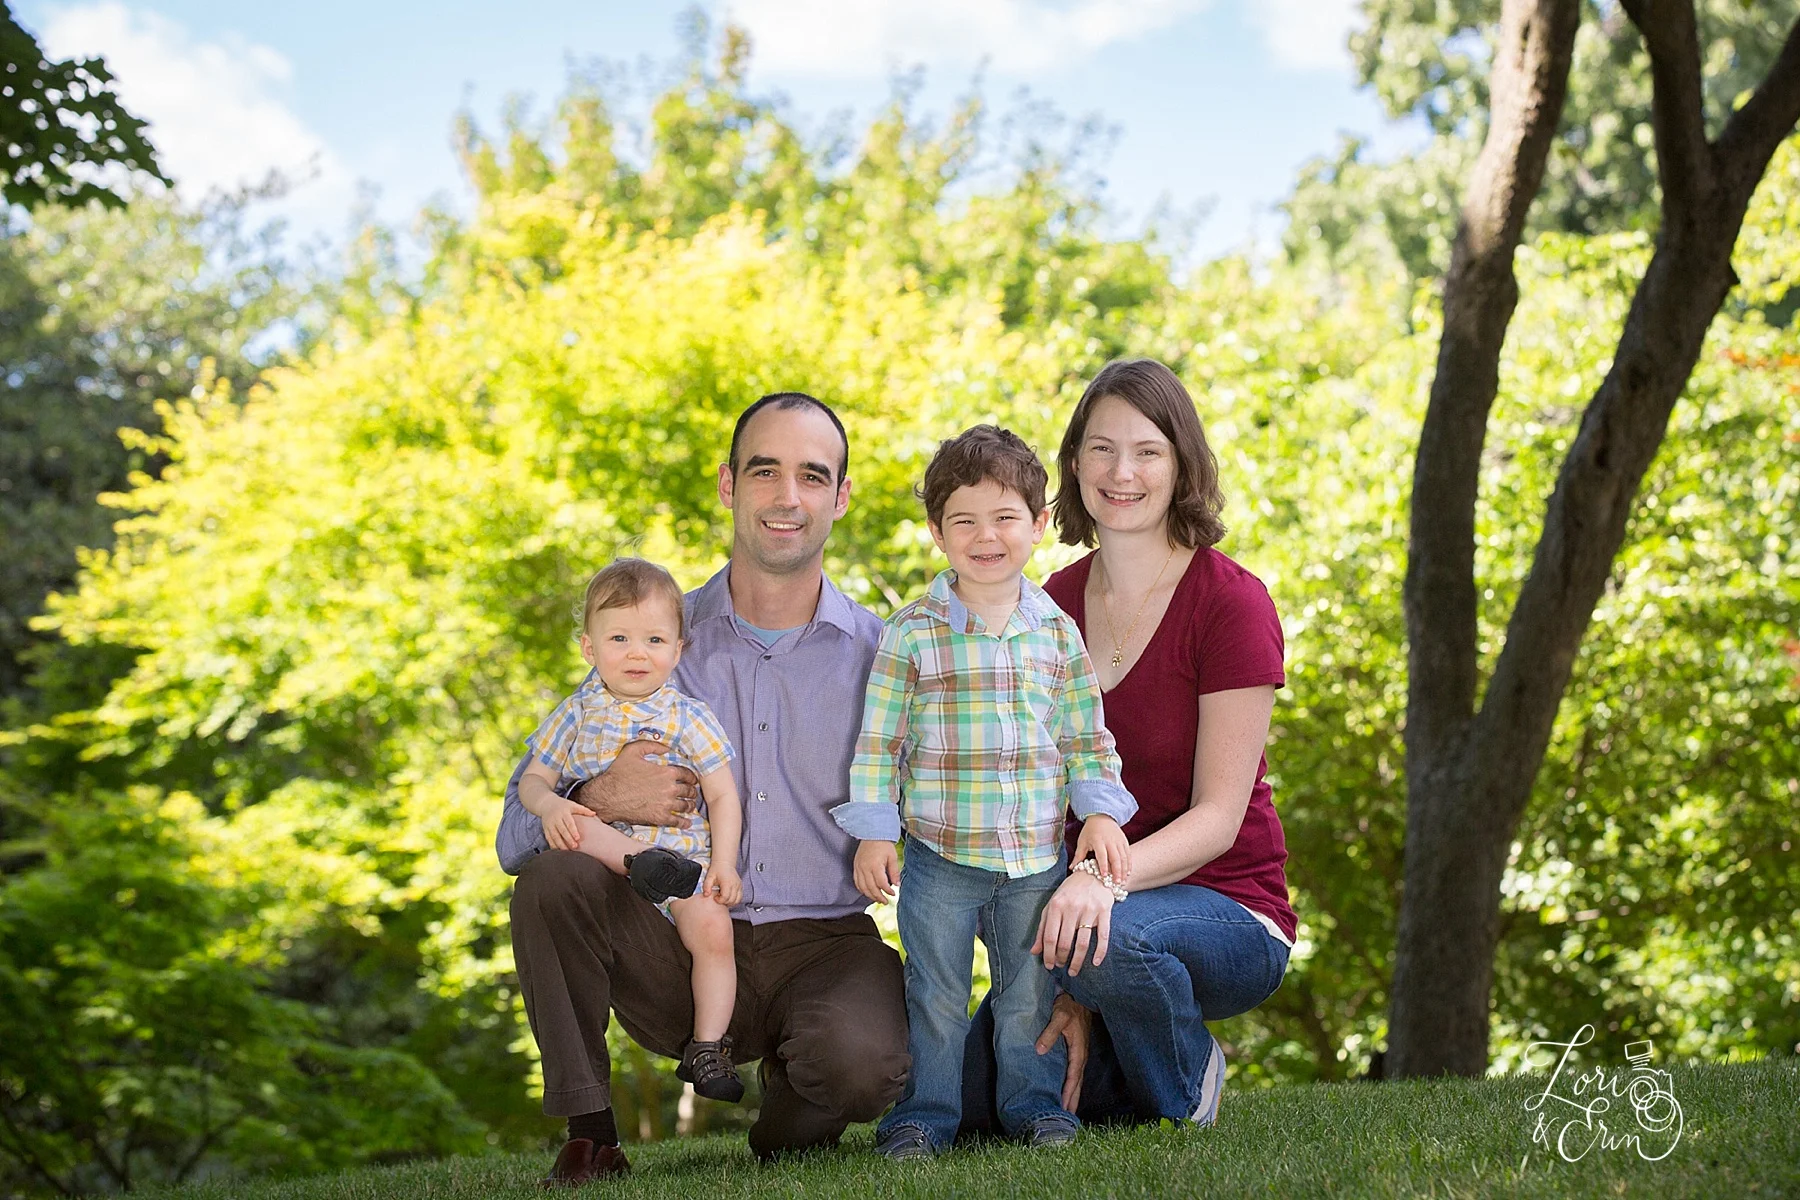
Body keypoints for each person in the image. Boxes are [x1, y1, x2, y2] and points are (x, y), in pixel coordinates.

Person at [497, 393, 909, 1185]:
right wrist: (598, 795)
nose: (788, 497)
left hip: (820, 943)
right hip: (670, 934)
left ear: (841, 497)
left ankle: (792, 1109)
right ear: (728, 485)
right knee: (553, 877)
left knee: (860, 1064)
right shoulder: (650, 636)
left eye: (812, 477)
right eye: (765, 472)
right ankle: (591, 1133)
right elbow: (517, 829)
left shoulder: (882, 657)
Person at [964, 358, 1296, 1134]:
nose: (1122, 472)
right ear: (1073, 462)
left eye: (1147, 450)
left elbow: (1218, 817)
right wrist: (1064, 968)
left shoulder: (1231, 603)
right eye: (1101, 449)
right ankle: (1112, 1044)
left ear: (1181, 464)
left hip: (1229, 908)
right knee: (982, 1105)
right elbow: (1040, 802)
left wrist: (1097, 890)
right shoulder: (1050, 608)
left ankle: (1188, 1088)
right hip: (1091, 911)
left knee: (1108, 947)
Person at [832, 425, 1136, 1160]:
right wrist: (877, 831)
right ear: (937, 531)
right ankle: (922, 1117)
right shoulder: (912, 634)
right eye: (963, 520)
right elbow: (880, 743)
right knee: (934, 995)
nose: (985, 535)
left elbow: (1084, 736)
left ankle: (1033, 1108)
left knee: (1027, 994)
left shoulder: (1058, 635)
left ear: (1037, 525)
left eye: (1004, 518)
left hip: (1034, 859)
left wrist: (1099, 812)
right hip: (939, 858)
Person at [516, 557, 746, 1103]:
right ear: (589, 649)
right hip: (609, 875)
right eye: (618, 638)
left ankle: (708, 1048)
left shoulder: (691, 717)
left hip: (683, 865)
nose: (637, 653)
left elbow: (722, 795)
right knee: (575, 821)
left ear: (678, 650)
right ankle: (635, 860)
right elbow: (533, 782)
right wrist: (550, 806)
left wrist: (724, 864)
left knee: (715, 931)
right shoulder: (574, 714)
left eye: (654, 639)